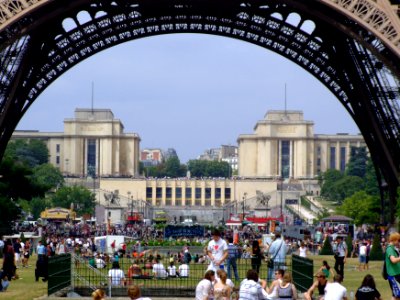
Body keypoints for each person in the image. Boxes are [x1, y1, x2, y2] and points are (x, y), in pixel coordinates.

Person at [385, 232, 400, 300]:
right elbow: (393, 260)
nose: (398, 242)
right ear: (394, 240)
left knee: (395, 295)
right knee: (397, 295)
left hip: (396, 274)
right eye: (398, 240)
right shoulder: (390, 249)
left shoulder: (393, 248)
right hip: (393, 275)